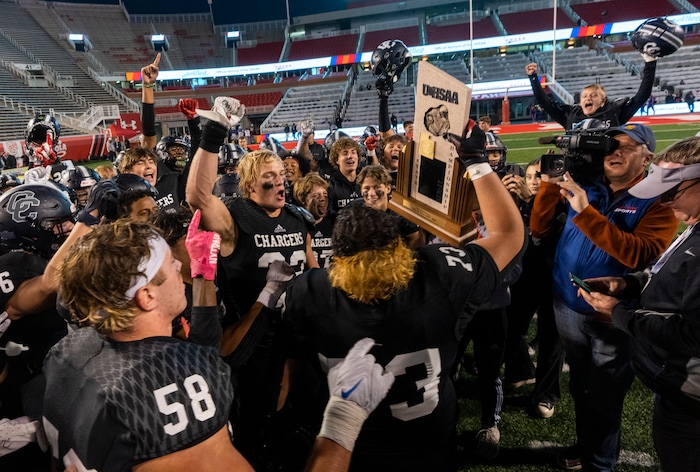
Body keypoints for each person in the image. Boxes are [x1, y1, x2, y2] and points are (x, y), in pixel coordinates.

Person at [41, 219, 393, 472]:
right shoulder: (168, 385)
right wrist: (343, 421)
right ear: (145, 296)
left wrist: (202, 276)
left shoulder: (68, 352)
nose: (179, 264)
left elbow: (201, 351)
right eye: (169, 263)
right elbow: (192, 364)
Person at [282, 120, 525, 471]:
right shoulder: (437, 272)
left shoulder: (311, 290)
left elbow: (285, 382)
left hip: (350, 449)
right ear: (397, 247)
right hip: (429, 445)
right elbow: (509, 234)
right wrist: (476, 161)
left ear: (338, 258)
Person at [530, 123, 678, 471]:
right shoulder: (588, 185)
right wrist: (551, 186)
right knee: (581, 386)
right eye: (612, 145)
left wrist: (585, 211)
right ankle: (587, 447)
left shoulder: (657, 200)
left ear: (648, 156)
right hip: (567, 304)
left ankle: (600, 463)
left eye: (628, 146)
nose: (616, 151)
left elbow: (639, 255)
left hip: (612, 316)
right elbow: (539, 227)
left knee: (606, 397)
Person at [186, 104, 319, 465]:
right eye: (269, 178)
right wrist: (213, 133)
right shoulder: (235, 218)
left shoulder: (296, 218)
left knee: (302, 409)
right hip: (254, 332)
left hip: (298, 327)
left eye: (281, 175)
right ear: (247, 186)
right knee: (256, 417)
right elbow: (198, 197)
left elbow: (313, 269)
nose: (280, 182)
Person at [578, 136, 700, 472]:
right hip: (678, 389)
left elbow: (693, 333)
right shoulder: (694, 223)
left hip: (689, 400)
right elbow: (668, 277)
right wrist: (628, 283)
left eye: (672, 191)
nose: (663, 200)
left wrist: (618, 313)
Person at [525, 54, 656, 130]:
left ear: (603, 100)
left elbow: (642, 96)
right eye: (585, 96)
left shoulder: (615, 111)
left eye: (594, 96)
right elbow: (544, 101)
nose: (588, 98)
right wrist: (533, 78)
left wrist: (650, 63)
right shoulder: (570, 115)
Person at [357, 164, 424, 249]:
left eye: (377, 187)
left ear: (388, 188)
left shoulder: (401, 215)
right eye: (367, 188)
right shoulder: (355, 211)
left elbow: (416, 239)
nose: (371, 193)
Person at [294, 172, 335, 269]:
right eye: (316, 196)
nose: (322, 199)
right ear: (303, 199)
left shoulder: (336, 222)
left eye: (325, 194)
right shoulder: (296, 225)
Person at [326, 137, 362, 213]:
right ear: (336, 160)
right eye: (345, 153)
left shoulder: (366, 180)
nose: (350, 156)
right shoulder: (330, 186)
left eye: (353, 152)